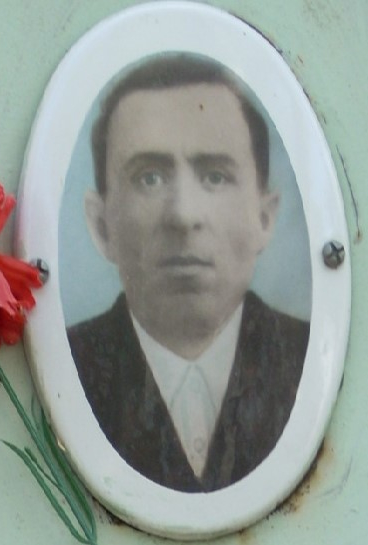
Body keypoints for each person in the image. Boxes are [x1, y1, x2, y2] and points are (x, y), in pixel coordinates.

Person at [67, 54, 310, 493]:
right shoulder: (68, 371)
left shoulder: (307, 360)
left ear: (265, 218)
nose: (183, 215)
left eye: (215, 176)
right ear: (101, 226)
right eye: (149, 178)